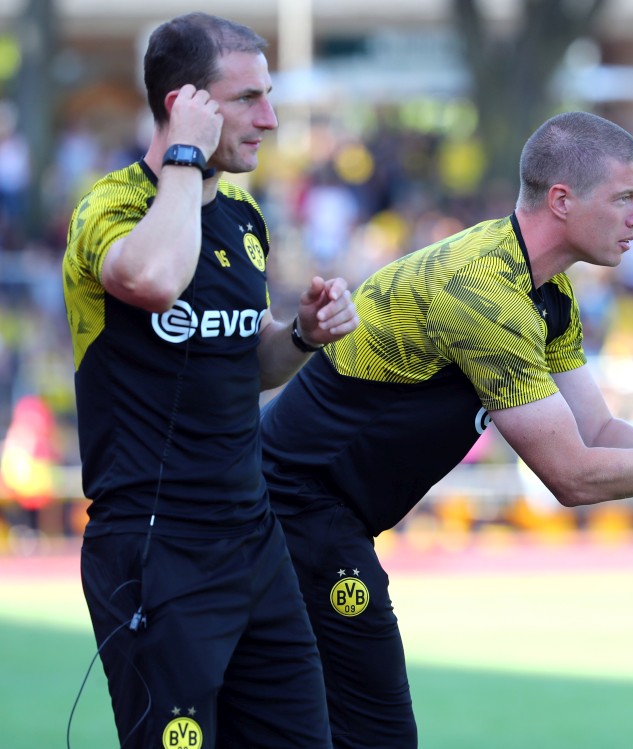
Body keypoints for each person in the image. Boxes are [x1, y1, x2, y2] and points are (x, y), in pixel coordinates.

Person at [259, 111, 633, 747]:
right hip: (291, 510)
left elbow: (598, 432)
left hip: (316, 514)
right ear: (561, 200)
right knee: (374, 735)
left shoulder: (545, 290)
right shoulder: (482, 291)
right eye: (624, 198)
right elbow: (572, 477)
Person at [61, 13, 358, 749]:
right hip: (155, 550)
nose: (270, 118)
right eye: (247, 98)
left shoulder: (244, 216)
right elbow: (155, 281)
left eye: (269, 95)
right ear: (185, 104)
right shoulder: (111, 208)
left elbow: (244, 362)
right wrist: (185, 156)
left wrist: (301, 335)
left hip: (254, 541)